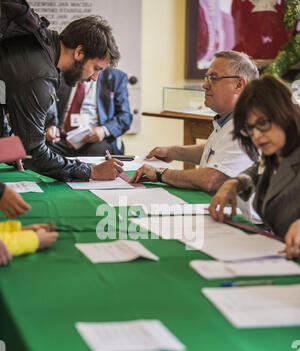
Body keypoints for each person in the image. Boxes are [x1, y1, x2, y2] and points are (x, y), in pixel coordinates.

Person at [130, 51, 259, 220]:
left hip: (243, 223)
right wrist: (173, 152)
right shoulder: (230, 119)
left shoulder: (244, 127)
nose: (205, 85)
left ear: (238, 85)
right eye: (206, 78)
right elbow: (215, 150)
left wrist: (160, 173)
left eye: (213, 78)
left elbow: (209, 179)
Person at [0, 15, 124, 181]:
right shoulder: (41, 76)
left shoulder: (41, 43)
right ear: (79, 52)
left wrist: (10, 145)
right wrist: (91, 172)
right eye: (95, 68)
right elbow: (35, 152)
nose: (95, 78)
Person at [209, 74, 300, 259]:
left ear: (284, 112)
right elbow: (259, 169)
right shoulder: (277, 152)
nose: (256, 136)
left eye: (263, 123)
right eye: (249, 128)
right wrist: (235, 183)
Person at [45, 67, 132, 156]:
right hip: (62, 138)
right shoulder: (63, 72)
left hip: (95, 140)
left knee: (99, 152)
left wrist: (104, 130)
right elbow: (47, 106)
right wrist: (49, 127)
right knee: (41, 149)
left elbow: (125, 117)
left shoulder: (115, 77)